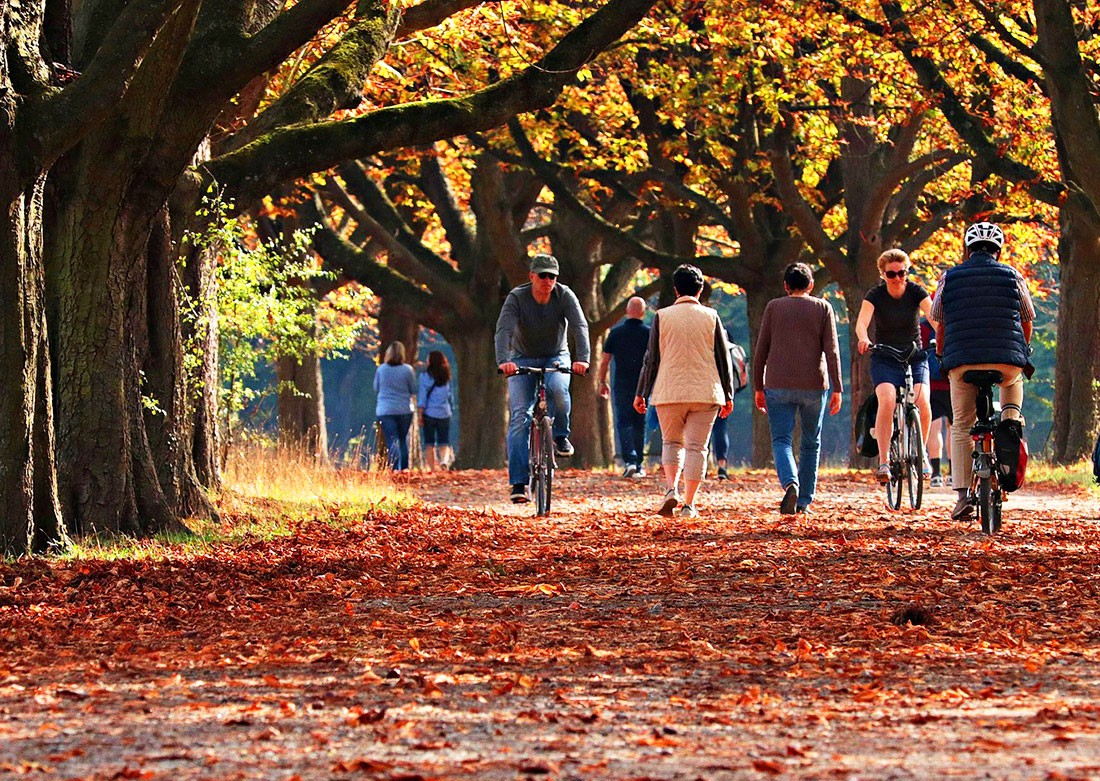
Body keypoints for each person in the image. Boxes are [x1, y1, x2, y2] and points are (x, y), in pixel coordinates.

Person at [930, 221, 1034, 520]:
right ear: (998, 250)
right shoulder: (1013, 275)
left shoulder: (949, 277)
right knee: (1013, 388)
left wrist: (941, 352)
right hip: (1006, 360)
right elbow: (1027, 318)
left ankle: (962, 497)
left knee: (962, 424)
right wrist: (1022, 350)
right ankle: (1010, 423)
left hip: (962, 361)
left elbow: (939, 320)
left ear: (968, 248)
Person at [634, 265, 735, 519]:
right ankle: (689, 504)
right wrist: (729, 394)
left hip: (669, 390)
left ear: (675, 289)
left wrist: (641, 392)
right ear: (700, 289)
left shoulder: (662, 316)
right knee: (697, 447)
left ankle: (671, 489)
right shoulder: (712, 316)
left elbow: (651, 359)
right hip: (705, 391)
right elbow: (723, 359)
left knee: (671, 442)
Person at [495, 254, 590, 503]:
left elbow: (580, 326)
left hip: (556, 356)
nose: (547, 280)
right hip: (522, 357)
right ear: (532, 276)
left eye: (552, 276)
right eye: (542, 275)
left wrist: (584, 359)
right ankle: (518, 483)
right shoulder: (517, 297)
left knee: (559, 390)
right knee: (520, 417)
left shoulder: (565, 295)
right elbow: (504, 329)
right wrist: (504, 360)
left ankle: (560, 435)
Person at [752, 262, 843, 515]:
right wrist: (837, 388)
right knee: (811, 443)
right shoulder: (823, 307)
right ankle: (804, 500)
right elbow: (832, 351)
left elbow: (761, 351)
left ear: (785, 286)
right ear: (811, 285)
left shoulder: (773, 307)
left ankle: (790, 482)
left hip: (778, 384)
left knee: (781, 440)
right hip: (814, 384)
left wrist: (758, 386)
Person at [855, 248, 934, 485]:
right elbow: (862, 322)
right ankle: (885, 460)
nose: (898, 278)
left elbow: (933, 316)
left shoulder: (916, 291)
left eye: (902, 273)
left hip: (914, 355)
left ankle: (922, 454)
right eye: (892, 274)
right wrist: (863, 339)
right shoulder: (875, 295)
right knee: (887, 399)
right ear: (883, 274)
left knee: (922, 400)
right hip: (885, 356)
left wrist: (943, 336)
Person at [597, 296, 651, 478]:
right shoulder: (649, 333)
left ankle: (629, 461)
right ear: (643, 313)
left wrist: (602, 381)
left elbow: (604, 361)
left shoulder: (616, 333)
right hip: (642, 385)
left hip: (621, 383)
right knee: (639, 423)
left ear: (627, 311)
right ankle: (639, 464)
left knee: (624, 422)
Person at [374, 341, 417, 471]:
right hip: (404, 409)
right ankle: (404, 469)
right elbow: (414, 389)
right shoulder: (408, 370)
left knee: (392, 440)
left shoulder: (381, 369)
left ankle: (393, 468)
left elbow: (376, 387)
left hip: (385, 410)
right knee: (403, 440)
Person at [920, 318, 952, 487]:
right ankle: (954, 473)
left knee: (934, 427)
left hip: (931, 383)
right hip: (953, 380)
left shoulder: (924, 326)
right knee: (955, 427)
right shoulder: (954, 320)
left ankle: (936, 474)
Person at [418, 350, 454, 471]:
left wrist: (420, 414)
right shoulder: (447, 376)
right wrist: (451, 409)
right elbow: (450, 396)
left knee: (429, 443)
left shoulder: (424, 376)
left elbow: (422, 397)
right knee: (444, 442)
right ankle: (444, 461)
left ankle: (432, 469)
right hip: (444, 413)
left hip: (429, 413)